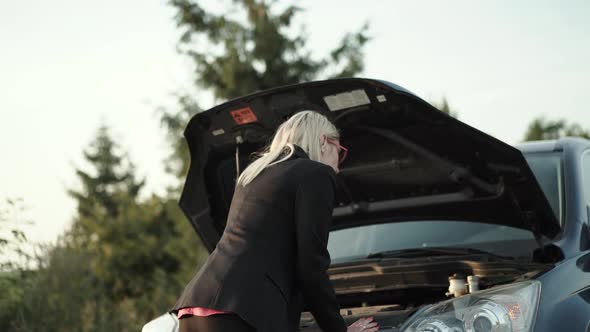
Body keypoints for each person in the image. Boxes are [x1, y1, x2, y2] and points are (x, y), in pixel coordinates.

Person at [171, 110, 380, 332]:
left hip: (196, 308)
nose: (338, 166)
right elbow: (311, 266)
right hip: (242, 312)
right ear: (322, 142)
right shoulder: (316, 174)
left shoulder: (254, 174)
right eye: (340, 151)